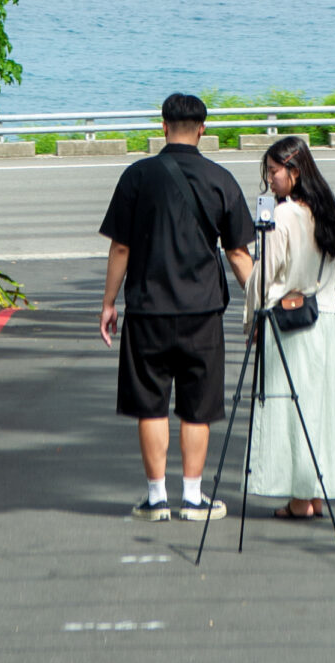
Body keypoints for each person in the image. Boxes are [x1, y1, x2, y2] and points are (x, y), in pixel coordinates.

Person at [99, 92, 255, 522]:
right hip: (202, 313)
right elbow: (239, 255)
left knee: (150, 405)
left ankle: (154, 498)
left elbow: (121, 247)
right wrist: (260, 303)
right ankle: (192, 497)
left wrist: (110, 302)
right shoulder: (221, 180)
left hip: (147, 310)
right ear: (203, 129)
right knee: (197, 407)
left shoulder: (137, 176)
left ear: (163, 126)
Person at [246, 135, 335, 520]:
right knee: (322, 409)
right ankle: (317, 492)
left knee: (291, 407)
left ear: (293, 171)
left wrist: (251, 317)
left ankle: (297, 499)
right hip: (327, 318)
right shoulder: (324, 210)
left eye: (273, 172)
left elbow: (265, 274)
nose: (269, 180)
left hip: (291, 322)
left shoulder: (284, 215)